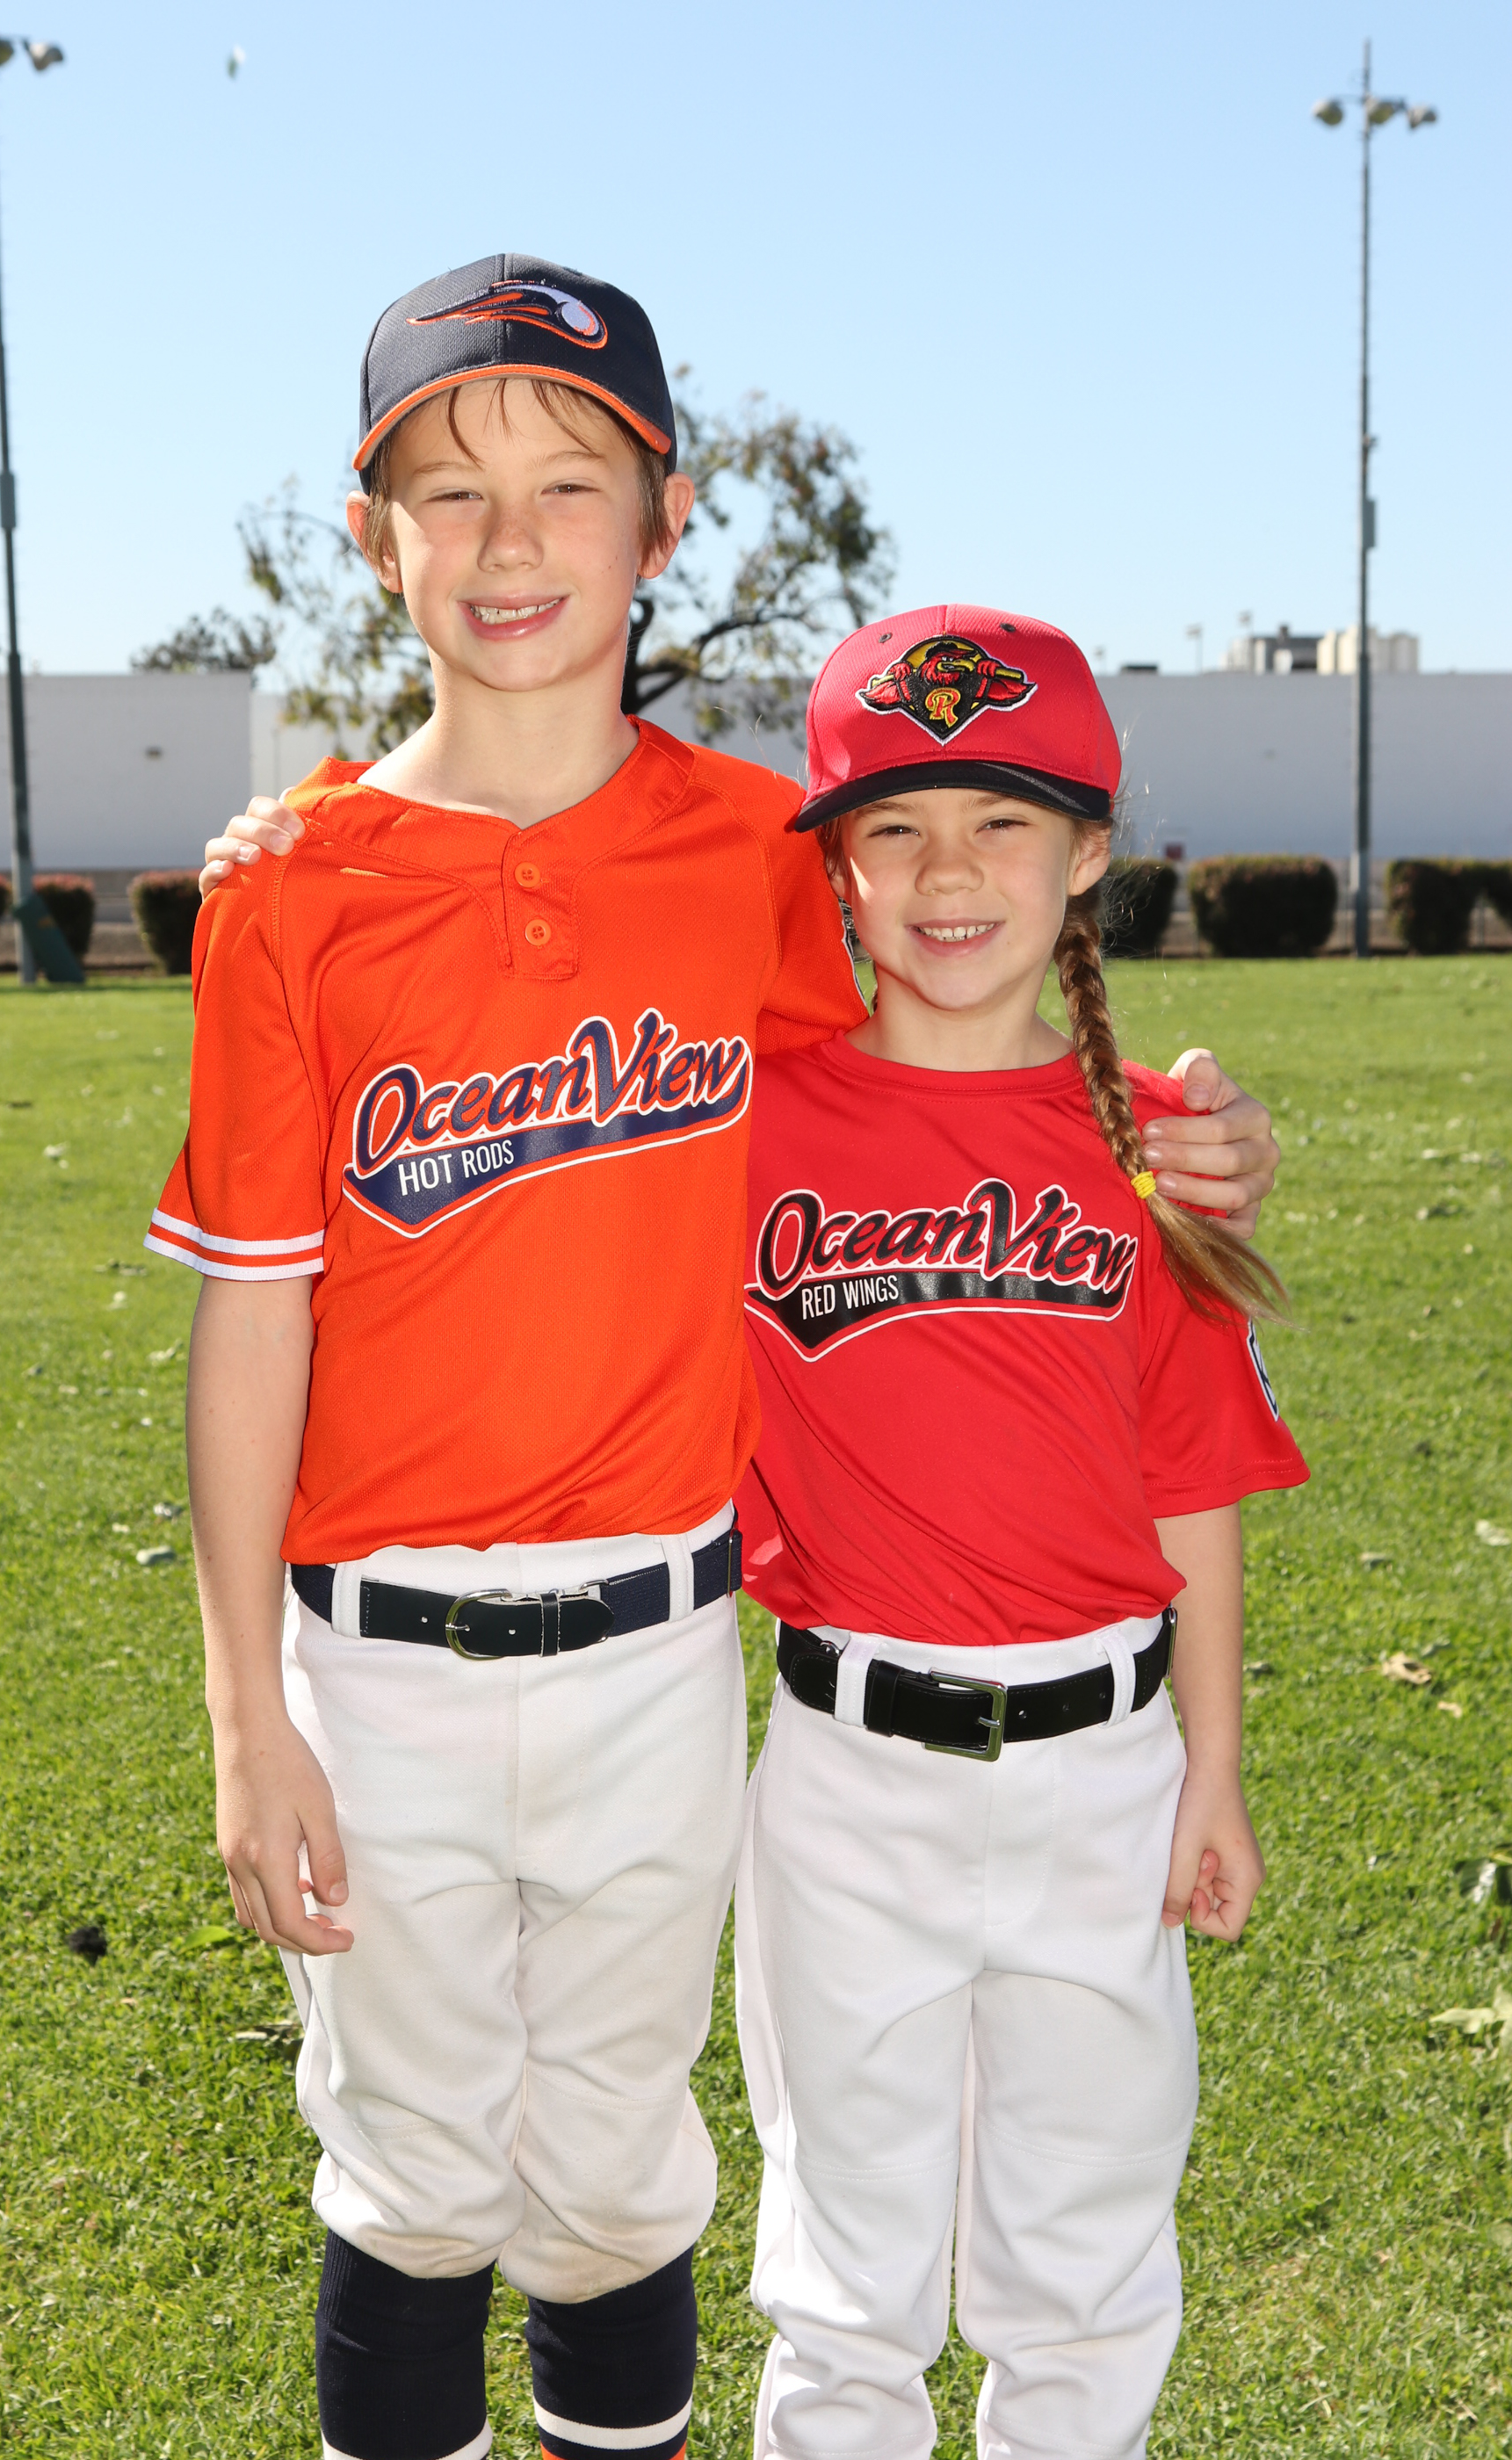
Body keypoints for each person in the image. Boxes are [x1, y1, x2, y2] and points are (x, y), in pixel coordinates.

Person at [172, 255, 1280, 2460]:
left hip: (665, 1639)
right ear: (371, 534)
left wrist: (1185, 1127)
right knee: (411, 2167)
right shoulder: (293, 884)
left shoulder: (751, 860)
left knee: (614, 2173)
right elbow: (254, 1310)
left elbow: (957, 1029)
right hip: (369, 1644)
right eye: (450, 489)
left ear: (664, 520)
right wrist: (239, 1714)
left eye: (570, 483)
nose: (511, 539)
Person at [731, 605, 1308, 2460]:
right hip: (845, 1768)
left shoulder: (1155, 1146)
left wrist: (1214, 1768)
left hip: (1104, 1776)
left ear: (1084, 859)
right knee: (845, 2273)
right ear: (835, 866)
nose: (948, 873)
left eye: (1003, 821)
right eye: (894, 827)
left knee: (1087, 2266)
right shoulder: (752, 1114)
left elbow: (1189, 1483)